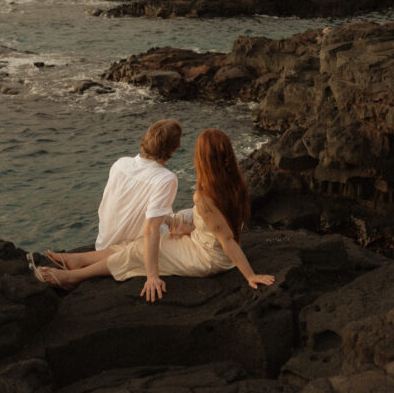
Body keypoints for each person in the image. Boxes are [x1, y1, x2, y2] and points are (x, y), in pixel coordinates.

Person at [33, 128, 274, 298]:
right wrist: (190, 227)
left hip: (209, 258)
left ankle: (73, 278)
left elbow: (227, 239)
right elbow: (221, 226)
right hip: (203, 243)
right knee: (139, 241)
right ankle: (78, 260)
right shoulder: (235, 183)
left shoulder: (204, 197)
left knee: (139, 250)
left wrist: (250, 275)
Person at [47, 118, 182, 303]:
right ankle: (80, 269)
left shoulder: (121, 163)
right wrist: (152, 276)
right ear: (172, 150)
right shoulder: (166, 179)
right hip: (124, 249)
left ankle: (81, 259)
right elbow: (151, 229)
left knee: (184, 220)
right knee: (189, 235)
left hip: (104, 241)